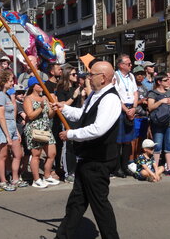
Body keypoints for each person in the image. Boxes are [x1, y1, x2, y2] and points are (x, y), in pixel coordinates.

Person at [52, 60, 121, 239]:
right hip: (87, 159)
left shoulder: (111, 98)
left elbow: (98, 129)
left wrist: (71, 134)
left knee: (100, 206)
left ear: (103, 78)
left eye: (91, 75)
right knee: (76, 202)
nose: (87, 78)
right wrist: (64, 108)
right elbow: (83, 115)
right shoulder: (95, 95)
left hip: (98, 161)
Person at [24, 76, 59, 188]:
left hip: (45, 127)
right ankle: (36, 179)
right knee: (36, 155)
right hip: (35, 129)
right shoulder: (28, 99)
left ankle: (47, 175)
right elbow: (30, 115)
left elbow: (48, 115)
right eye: (40, 84)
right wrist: (41, 107)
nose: (42, 86)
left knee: (52, 153)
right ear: (34, 86)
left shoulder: (44, 97)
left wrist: (53, 111)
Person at [0, 70, 24, 191]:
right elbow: (1, 116)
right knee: (3, 155)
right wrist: (7, 136)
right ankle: (3, 181)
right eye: (10, 81)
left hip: (11, 126)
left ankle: (15, 178)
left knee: (18, 154)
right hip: (2, 128)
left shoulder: (6, 95)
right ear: (4, 81)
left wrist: (15, 131)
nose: (12, 83)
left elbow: (12, 116)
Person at [147, 72, 170, 176]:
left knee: (169, 145)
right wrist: (161, 101)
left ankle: (169, 167)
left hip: (169, 122)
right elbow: (150, 107)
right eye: (165, 80)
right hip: (157, 122)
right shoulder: (153, 93)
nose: (168, 82)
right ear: (159, 82)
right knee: (157, 145)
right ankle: (155, 168)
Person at [55, 66, 81, 182]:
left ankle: (76, 170)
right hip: (66, 119)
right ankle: (68, 172)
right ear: (67, 76)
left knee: (77, 144)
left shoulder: (76, 87)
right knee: (68, 146)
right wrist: (73, 96)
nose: (76, 76)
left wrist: (82, 95)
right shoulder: (61, 89)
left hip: (77, 118)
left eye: (76, 74)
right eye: (73, 74)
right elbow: (62, 105)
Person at [114, 54, 138, 177]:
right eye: (128, 64)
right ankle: (117, 167)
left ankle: (125, 165)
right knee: (119, 141)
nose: (131, 65)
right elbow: (116, 95)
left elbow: (135, 92)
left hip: (131, 108)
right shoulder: (116, 76)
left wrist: (133, 108)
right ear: (121, 65)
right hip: (120, 109)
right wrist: (126, 110)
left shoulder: (131, 76)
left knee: (128, 140)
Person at [132, 66, 149, 160]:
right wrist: (140, 101)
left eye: (142, 74)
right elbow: (129, 102)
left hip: (144, 117)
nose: (140, 76)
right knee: (134, 140)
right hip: (135, 116)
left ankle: (138, 159)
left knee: (142, 140)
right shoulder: (132, 87)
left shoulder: (145, 87)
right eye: (138, 74)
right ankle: (132, 159)